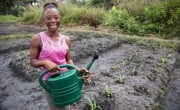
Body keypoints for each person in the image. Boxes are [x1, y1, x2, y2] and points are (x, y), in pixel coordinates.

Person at [30, 2, 89, 110]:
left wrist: (78, 69)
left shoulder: (66, 39)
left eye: (56, 17)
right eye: (48, 18)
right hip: (52, 83)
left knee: (67, 106)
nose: (53, 21)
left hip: (66, 79)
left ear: (60, 18)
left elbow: (68, 60)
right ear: (44, 20)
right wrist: (45, 62)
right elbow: (33, 61)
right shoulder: (38, 39)